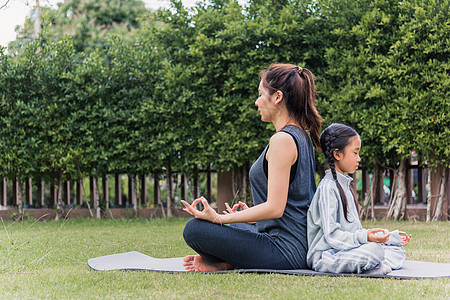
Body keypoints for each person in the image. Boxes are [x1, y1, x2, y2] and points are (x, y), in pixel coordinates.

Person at [181, 63, 322, 271]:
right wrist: (255, 219)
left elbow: (275, 207)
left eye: (260, 94)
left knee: (194, 230)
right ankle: (226, 262)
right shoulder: (300, 135)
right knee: (237, 226)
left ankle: (227, 263)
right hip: (290, 242)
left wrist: (220, 217)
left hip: (287, 251)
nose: (256, 102)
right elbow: (291, 204)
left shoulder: (282, 140)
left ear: (277, 97)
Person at [307, 123, 411, 275]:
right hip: (327, 255)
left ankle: (373, 265)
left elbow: (355, 233)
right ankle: (372, 265)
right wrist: (367, 238)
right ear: (337, 154)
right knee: (374, 251)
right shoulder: (327, 189)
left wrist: (388, 237)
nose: (359, 158)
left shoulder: (344, 185)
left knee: (395, 248)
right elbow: (332, 237)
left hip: (347, 250)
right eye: (355, 153)